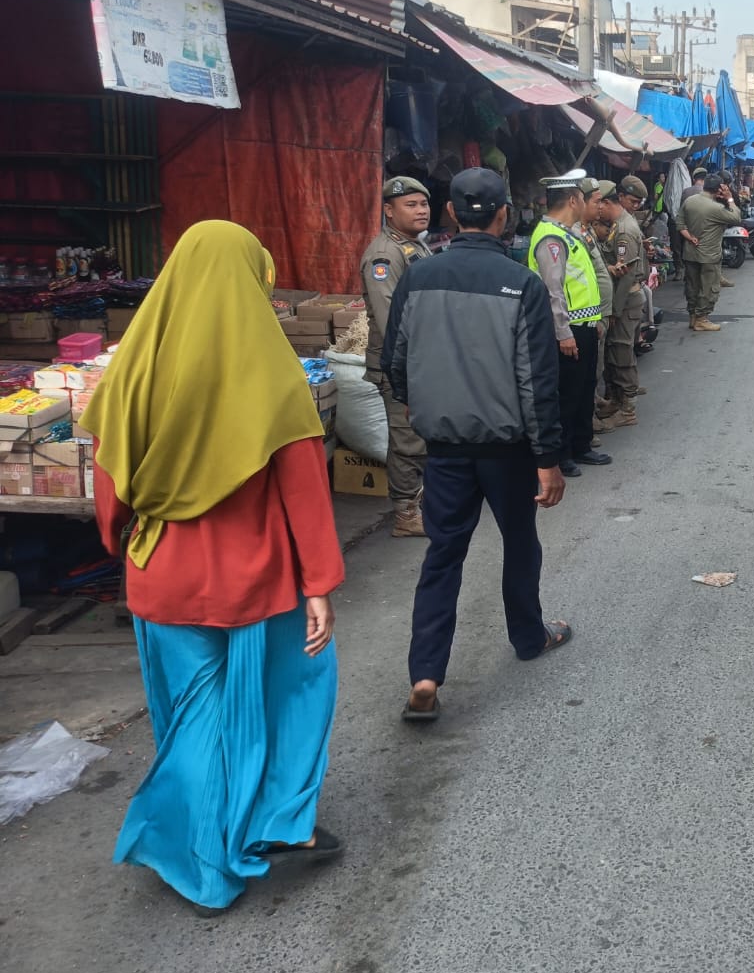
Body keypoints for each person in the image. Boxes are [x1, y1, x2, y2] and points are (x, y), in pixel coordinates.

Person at [84, 220, 346, 915]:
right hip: (256, 578)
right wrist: (319, 584)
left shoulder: (131, 370)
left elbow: (109, 491)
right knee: (296, 689)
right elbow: (304, 490)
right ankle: (261, 828)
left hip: (161, 571)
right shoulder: (272, 375)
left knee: (195, 714)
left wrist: (125, 542)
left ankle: (204, 850)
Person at [384, 168, 573, 723]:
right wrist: (548, 459)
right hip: (506, 448)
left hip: (444, 446)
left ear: (449, 212)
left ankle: (425, 674)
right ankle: (529, 636)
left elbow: (395, 359)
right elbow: (537, 381)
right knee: (520, 542)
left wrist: (420, 402)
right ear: (503, 215)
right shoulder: (522, 283)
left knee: (442, 555)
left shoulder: (419, 277)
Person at [358, 176, 434, 537]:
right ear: (389, 211)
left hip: (421, 359)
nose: (421, 211)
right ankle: (405, 513)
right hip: (400, 364)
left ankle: (424, 501)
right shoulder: (385, 255)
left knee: (422, 433)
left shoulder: (414, 246)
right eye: (411, 205)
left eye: (424, 204)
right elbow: (392, 321)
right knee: (407, 439)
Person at [531, 171, 612, 476]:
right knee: (567, 393)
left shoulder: (566, 233)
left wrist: (595, 319)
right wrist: (563, 333)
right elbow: (553, 291)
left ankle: (581, 444)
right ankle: (562, 453)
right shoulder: (551, 238)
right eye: (583, 197)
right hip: (568, 331)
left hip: (584, 325)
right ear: (573, 200)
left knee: (584, 388)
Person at [600, 175, 650, 429]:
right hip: (626, 297)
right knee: (615, 352)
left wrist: (615, 310)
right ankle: (617, 401)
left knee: (622, 354)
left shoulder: (624, 230)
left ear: (609, 202)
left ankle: (627, 408)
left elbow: (627, 273)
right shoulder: (620, 226)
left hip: (626, 299)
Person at [679, 172, 743, 331]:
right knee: (708, 287)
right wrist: (729, 198)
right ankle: (701, 318)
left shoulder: (689, 201)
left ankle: (692, 316)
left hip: (690, 252)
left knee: (692, 286)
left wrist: (690, 237)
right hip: (709, 255)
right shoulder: (716, 208)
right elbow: (736, 217)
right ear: (719, 189)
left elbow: (679, 223)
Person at [578, 178, 618, 435]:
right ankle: (589, 418)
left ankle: (594, 403)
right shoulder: (573, 234)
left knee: (597, 365)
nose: (600, 207)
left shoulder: (586, 231)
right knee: (589, 370)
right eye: (596, 202)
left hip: (599, 311)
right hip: (587, 315)